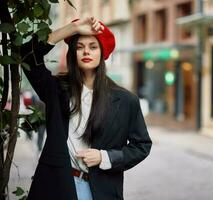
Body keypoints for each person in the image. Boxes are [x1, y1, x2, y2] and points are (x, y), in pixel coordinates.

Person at [20, 17, 152, 200]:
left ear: (102, 53)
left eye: (93, 46)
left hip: (101, 190)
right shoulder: (56, 89)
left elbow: (142, 145)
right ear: (73, 53)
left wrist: (104, 157)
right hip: (57, 186)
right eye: (80, 47)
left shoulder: (126, 101)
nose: (86, 52)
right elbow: (28, 55)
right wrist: (72, 28)